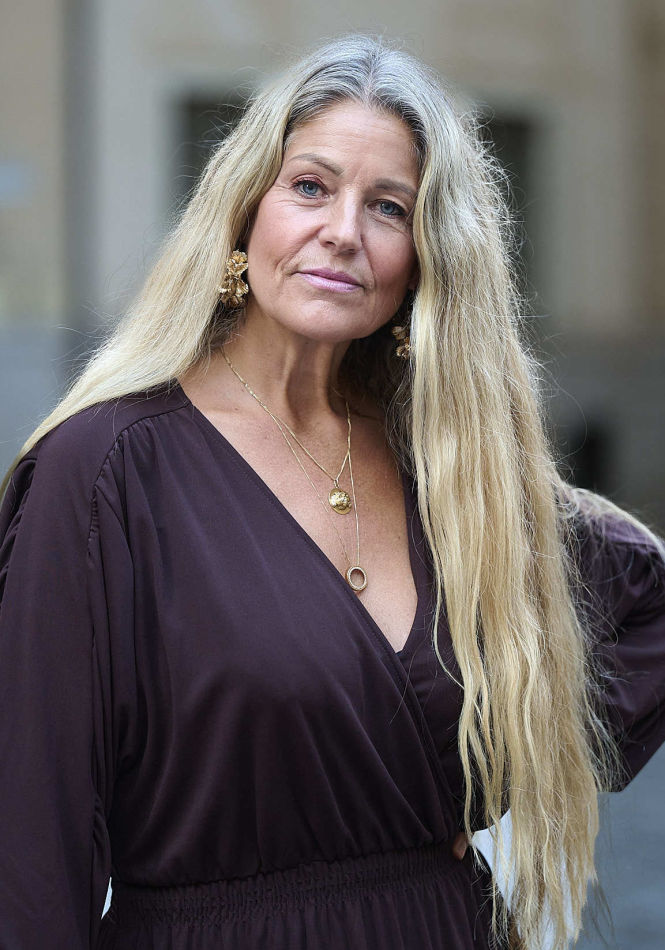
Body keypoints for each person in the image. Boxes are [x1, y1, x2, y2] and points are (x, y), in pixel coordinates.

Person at [0, 34, 663, 950]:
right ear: (244, 214)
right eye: (310, 187)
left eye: (388, 207)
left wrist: (502, 767)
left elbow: (641, 597)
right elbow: (31, 845)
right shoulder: (104, 470)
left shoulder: (447, 470)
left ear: (423, 258)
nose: (344, 231)